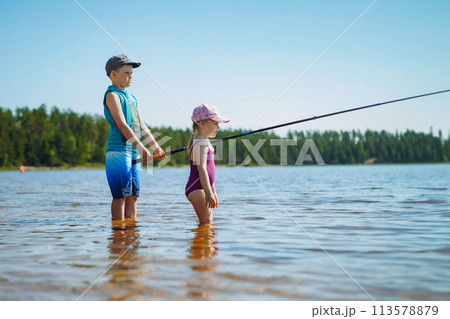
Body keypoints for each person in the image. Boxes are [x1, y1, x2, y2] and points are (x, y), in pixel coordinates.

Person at [103, 54, 165, 228]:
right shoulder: (112, 95)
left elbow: (142, 126)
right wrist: (141, 146)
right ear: (113, 74)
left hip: (133, 151)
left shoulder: (132, 98)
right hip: (118, 151)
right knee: (120, 196)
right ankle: (118, 234)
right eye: (126, 73)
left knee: (133, 195)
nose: (131, 76)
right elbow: (122, 124)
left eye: (131, 73)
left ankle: (131, 233)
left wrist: (155, 146)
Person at [185, 104, 229, 224]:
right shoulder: (200, 142)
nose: (218, 127)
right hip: (197, 188)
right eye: (215, 123)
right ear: (202, 124)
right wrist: (208, 192)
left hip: (203, 188)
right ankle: (202, 242)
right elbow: (202, 169)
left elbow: (209, 174)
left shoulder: (204, 141)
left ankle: (204, 242)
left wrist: (212, 191)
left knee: (208, 222)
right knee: (206, 222)